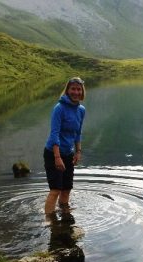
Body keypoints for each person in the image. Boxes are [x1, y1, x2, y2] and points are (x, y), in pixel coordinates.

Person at [43, 77, 86, 214]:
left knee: (66, 188)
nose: (76, 92)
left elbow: (78, 133)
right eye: (73, 89)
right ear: (67, 90)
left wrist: (78, 151)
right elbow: (54, 133)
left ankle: (64, 214)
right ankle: (49, 220)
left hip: (68, 153)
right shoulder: (59, 108)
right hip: (53, 153)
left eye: (78, 89)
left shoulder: (81, 110)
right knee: (55, 189)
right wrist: (57, 157)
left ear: (82, 91)